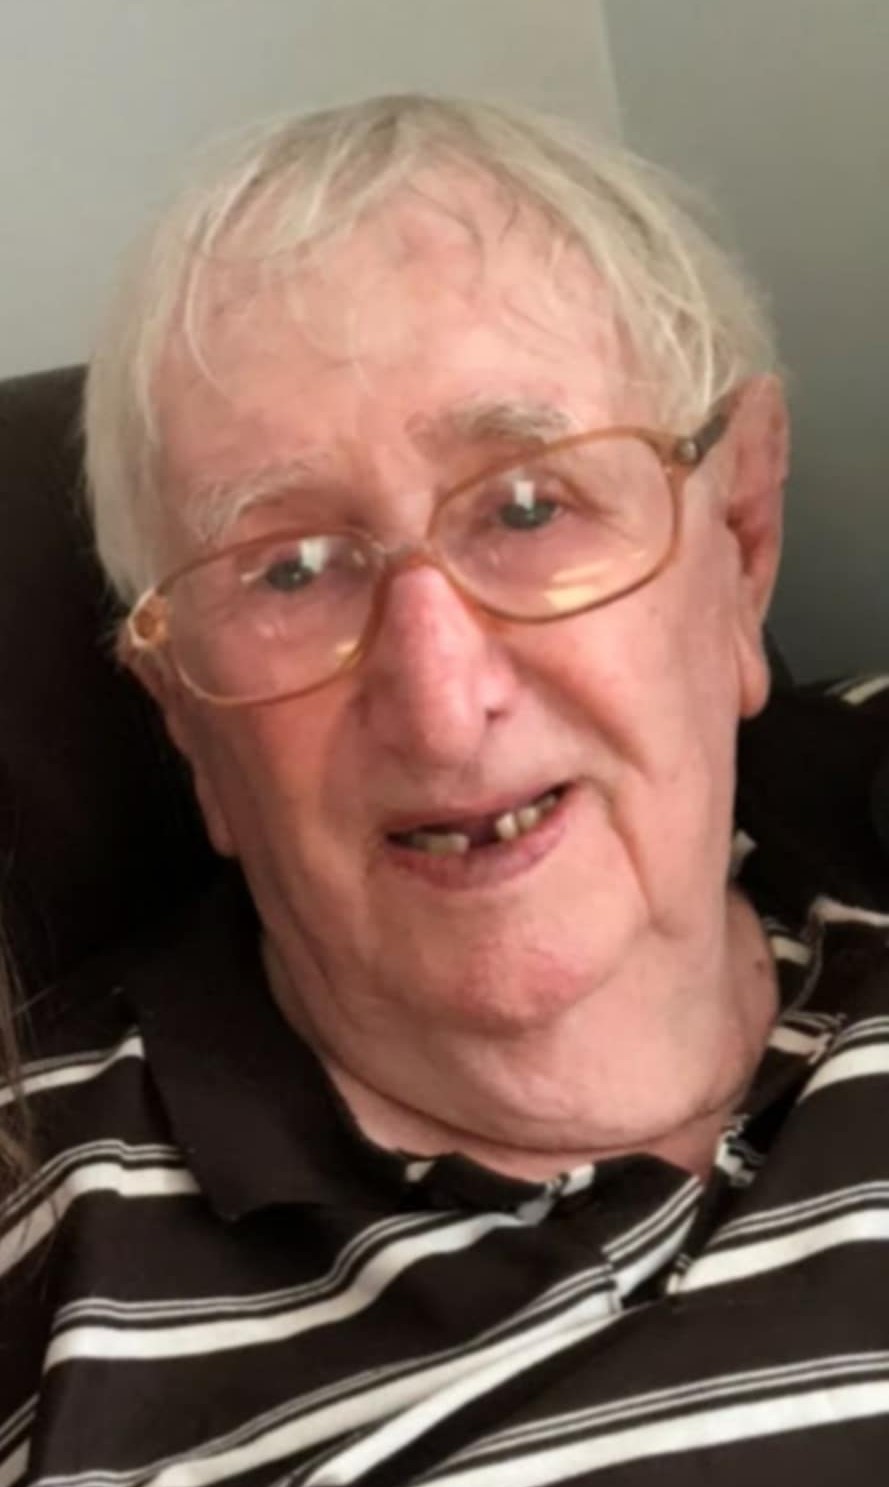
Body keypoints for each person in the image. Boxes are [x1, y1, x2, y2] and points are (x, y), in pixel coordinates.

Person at [3, 94, 889, 1485]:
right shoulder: (41, 1242)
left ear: (741, 534)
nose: (437, 698)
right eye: (289, 570)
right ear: (181, 716)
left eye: (527, 507)